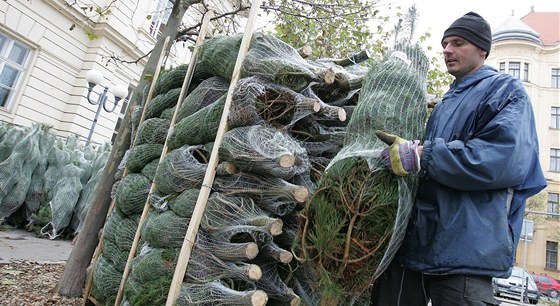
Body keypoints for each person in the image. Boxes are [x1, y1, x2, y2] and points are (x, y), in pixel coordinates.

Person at [371, 12, 547, 306]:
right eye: (445, 44)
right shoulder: (446, 103)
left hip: (467, 252)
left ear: (482, 50)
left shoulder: (505, 91)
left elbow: (503, 159)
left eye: (458, 43)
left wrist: (423, 155)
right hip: (419, 247)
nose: (447, 50)